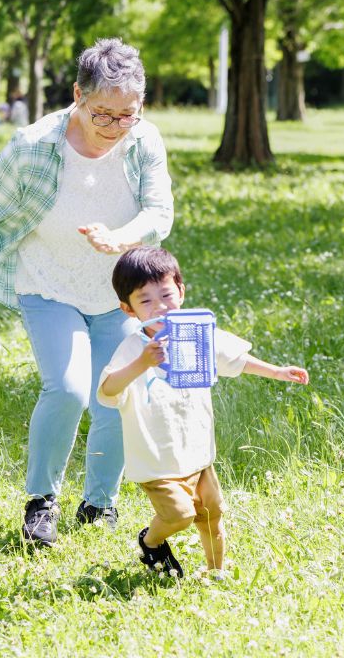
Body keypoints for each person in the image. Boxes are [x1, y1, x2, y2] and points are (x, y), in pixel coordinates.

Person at [0, 38, 174, 546]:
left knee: (115, 392)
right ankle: (41, 502)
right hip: (47, 283)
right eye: (103, 115)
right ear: (77, 95)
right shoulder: (34, 145)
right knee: (68, 388)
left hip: (118, 293)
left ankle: (98, 505)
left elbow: (160, 212)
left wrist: (122, 237)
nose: (115, 127)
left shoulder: (144, 141)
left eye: (127, 116)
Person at [97, 247, 309, 577]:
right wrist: (142, 363)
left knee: (212, 515)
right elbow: (108, 389)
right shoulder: (134, 348)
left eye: (166, 294)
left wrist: (277, 371)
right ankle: (151, 542)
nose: (161, 306)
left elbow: (234, 359)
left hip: (196, 454)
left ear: (181, 291)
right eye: (146, 300)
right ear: (129, 309)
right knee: (179, 515)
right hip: (157, 461)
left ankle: (216, 572)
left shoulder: (196, 334)